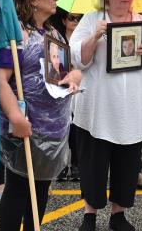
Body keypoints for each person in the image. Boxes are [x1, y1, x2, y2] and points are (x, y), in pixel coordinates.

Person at [70, 0, 142, 231]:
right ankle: (89, 215)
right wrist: (94, 36)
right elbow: (78, 58)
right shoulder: (91, 20)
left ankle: (118, 214)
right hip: (98, 108)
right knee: (93, 164)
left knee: (127, 163)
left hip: (131, 108)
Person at [0, 0, 81, 230]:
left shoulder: (54, 33)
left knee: (42, 189)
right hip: (26, 126)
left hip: (54, 128)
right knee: (18, 189)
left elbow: (67, 70)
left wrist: (75, 76)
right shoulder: (15, 34)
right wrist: (15, 116)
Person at [56, 12, 83, 182]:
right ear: (64, 20)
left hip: (79, 87)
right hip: (61, 87)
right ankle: (61, 166)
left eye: (79, 18)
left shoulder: (82, 38)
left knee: (76, 128)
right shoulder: (57, 39)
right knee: (62, 128)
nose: (75, 21)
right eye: (72, 18)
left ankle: (76, 165)